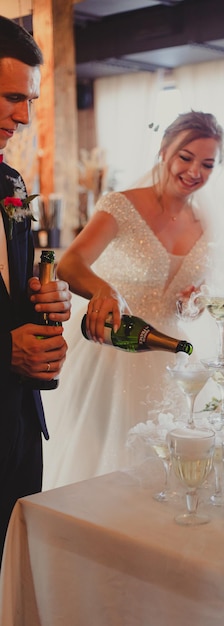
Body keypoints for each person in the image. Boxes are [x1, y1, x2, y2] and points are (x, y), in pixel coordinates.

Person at [42, 111, 224, 489]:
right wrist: (104, 290)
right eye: (186, 157)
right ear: (164, 151)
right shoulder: (122, 205)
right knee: (105, 464)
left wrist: (194, 302)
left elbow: (201, 295)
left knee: (168, 468)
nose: (194, 171)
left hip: (173, 359)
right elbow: (71, 264)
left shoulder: (208, 224)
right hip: (112, 351)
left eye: (207, 164)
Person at [0, 16, 71, 560]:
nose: (23, 117)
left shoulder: (13, 186)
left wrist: (50, 300)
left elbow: (17, 293)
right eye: (9, 98)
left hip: (19, 427)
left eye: (28, 100)